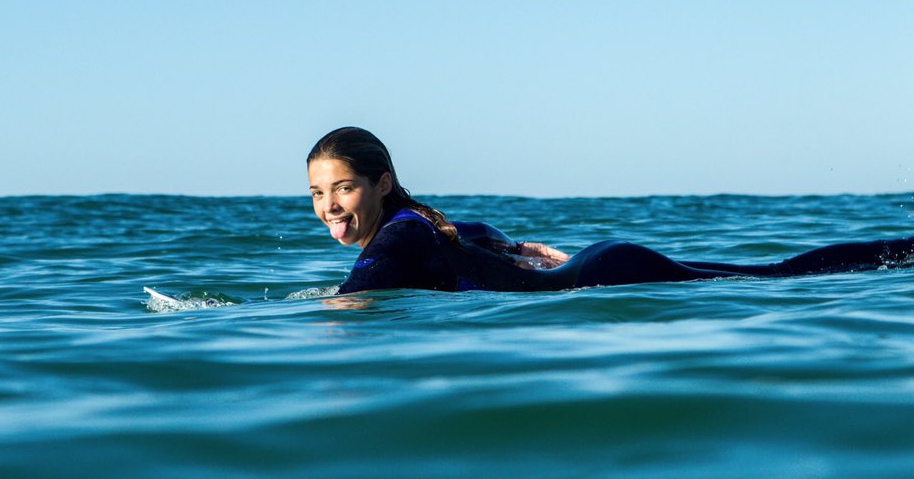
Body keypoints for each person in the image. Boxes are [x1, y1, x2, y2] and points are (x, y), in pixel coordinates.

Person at [307, 126, 914, 295]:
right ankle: (902, 250)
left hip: (604, 275)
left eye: (343, 188)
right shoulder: (413, 224)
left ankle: (902, 252)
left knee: (781, 277)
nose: (330, 207)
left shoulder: (396, 239)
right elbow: (469, 230)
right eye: (317, 193)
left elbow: (356, 291)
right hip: (603, 266)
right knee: (777, 272)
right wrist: (513, 248)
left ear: (382, 183)